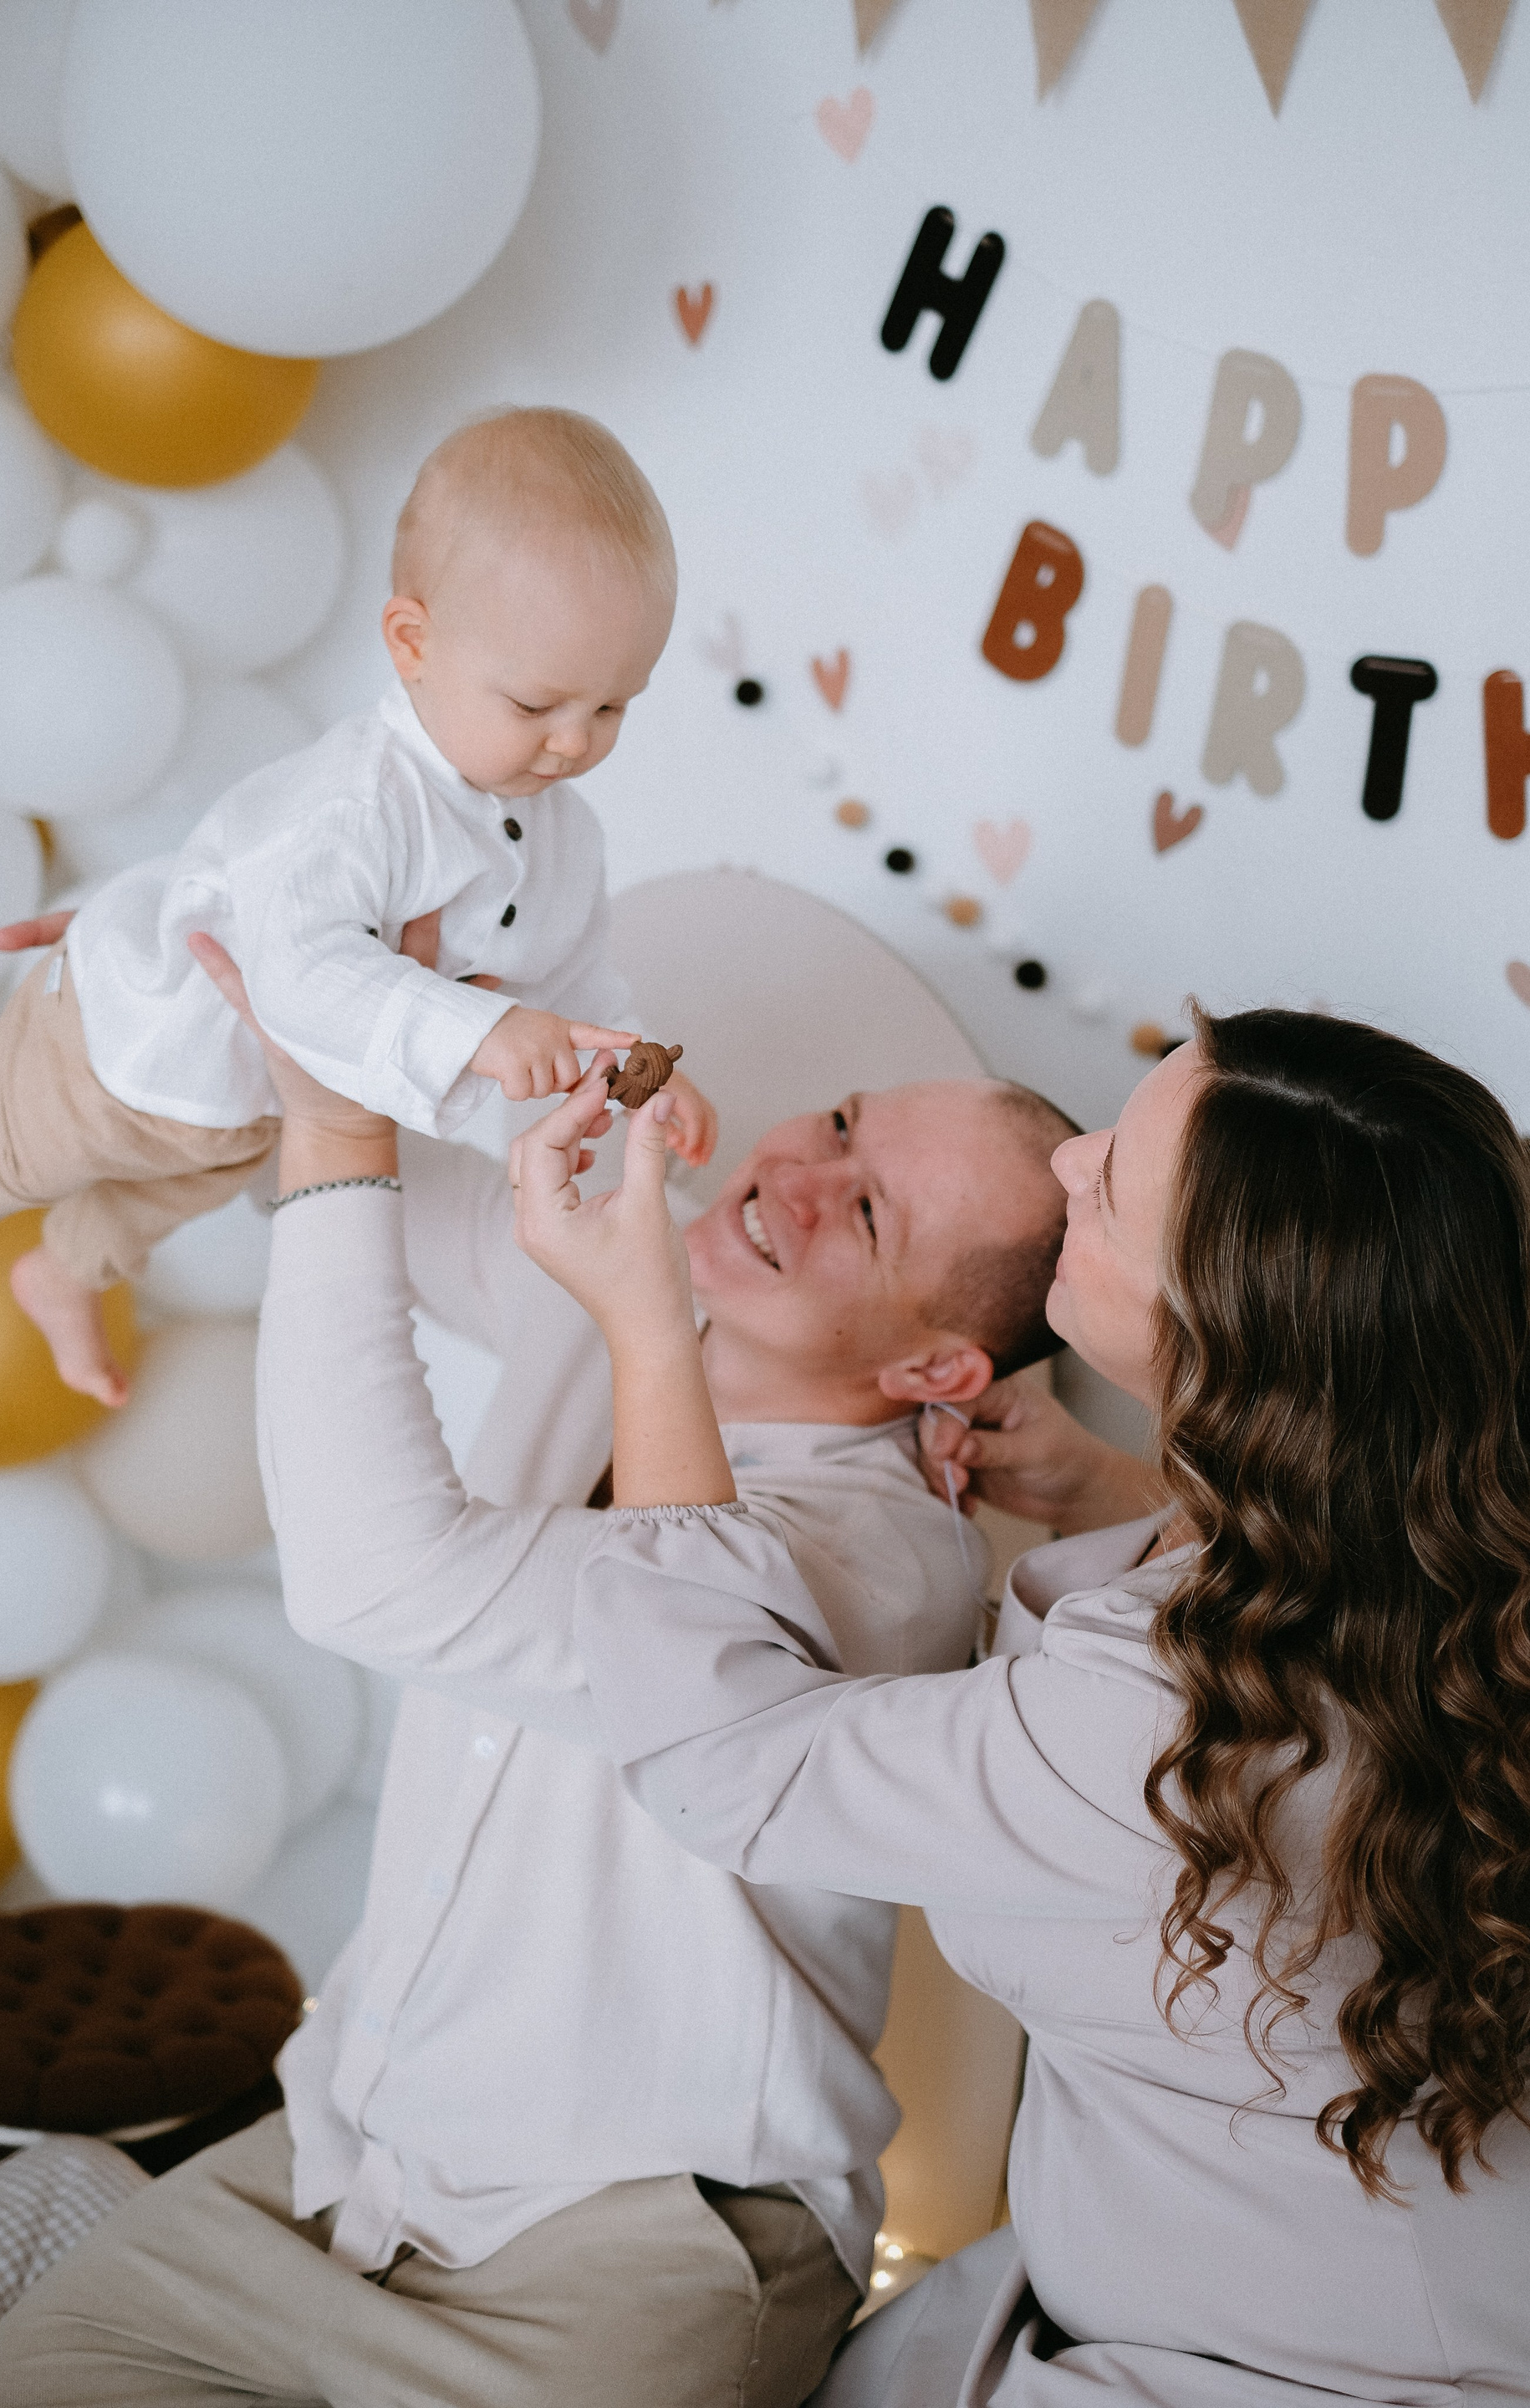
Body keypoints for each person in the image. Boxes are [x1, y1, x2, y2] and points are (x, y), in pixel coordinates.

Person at [0, 944, 1084, 2408]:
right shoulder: (629, 1286)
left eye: (866, 1212)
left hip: (635, 2253)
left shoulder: (879, 1561)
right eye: (846, 1123)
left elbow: (373, 1573)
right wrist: (183, 951)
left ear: (936, 1375)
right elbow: (309, 1146)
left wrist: (340, 1136)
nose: (799, 1172)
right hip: (330, 2166)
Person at [504, 1008, 1530, 2405]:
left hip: (1299, 2360)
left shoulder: (1149, 1723)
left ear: (1217, 1341)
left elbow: (725, 1763)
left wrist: (647, 1335)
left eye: (1104, 1188)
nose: (1064, 1165)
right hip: (1186, 2261)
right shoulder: (1453, 1546)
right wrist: (1121, 1495)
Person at [0, 406, 713, 1410]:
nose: (573, 743)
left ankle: (62, 1273)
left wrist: (636, 1070)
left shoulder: (564, 837)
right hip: (124, 1043)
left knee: (161, 1196)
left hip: (242, 1104)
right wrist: (481, 1029)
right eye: (535, 705)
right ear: (413, 642)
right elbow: (300, 971)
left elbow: (572, 975)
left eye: (611, 707)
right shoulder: (362, 802)